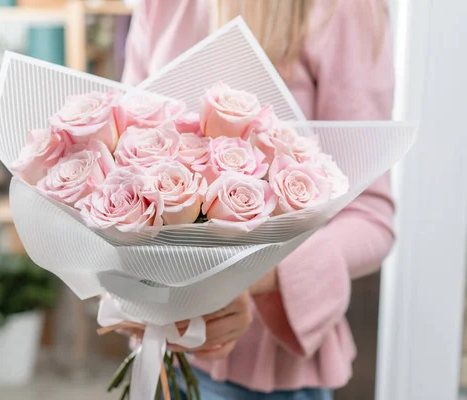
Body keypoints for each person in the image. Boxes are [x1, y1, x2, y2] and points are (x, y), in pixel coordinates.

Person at [121, 0, 395, 399]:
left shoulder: (343, 10)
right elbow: (123, 160)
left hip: (267, 373)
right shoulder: (159, 6)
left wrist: (253, 279)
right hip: (157, 348)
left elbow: (370, 215)